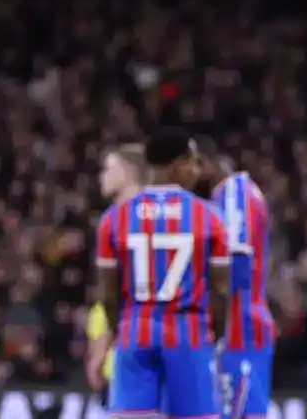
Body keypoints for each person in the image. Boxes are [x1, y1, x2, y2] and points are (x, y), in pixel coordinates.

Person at [91, 128, 230, 419]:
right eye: (193, 162)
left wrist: (120, 333)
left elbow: (107, 293)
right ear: (177, 164)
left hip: (135, 331)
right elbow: (221, 291)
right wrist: (213, 333)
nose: (197, 170)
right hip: (188, 333)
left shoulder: (114, 219)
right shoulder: (210, 217)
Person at [198, 153, 277, 419]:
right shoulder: (244, 191)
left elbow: (237, 264)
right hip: (243, 324)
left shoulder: (233, 193)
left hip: (237, 328)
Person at [85, 144, 148, 403]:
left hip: (130, 344)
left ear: (128, 172)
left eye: (109, 169)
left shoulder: (117, 220)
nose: (102, 176)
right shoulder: (163, 214)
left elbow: (120, 291)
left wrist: (101, 347)